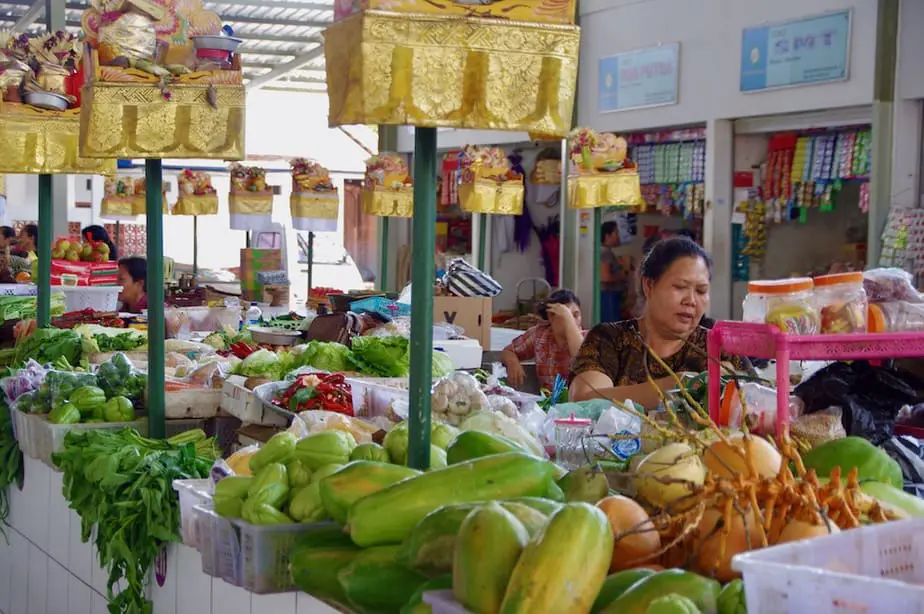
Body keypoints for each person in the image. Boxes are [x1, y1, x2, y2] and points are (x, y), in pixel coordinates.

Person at [570, 236, 749, 409]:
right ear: (648, 286)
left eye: (701, 291)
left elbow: (758, 404)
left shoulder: (721, 350)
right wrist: (677, 385)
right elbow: (585, 399)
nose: (691, 300)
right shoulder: (609, 340)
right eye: (680, 287)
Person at [500, 289, 586, 391]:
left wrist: (568, 320)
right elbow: (508, 351)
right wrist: (512, 363)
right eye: (567, 316)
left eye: (576, 315)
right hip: (548, 404)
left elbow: (583, 358)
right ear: (551, 316)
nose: (573, 321)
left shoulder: (589, 338)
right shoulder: (540, 334)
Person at [600, 221, 627, 322]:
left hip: (611, 296)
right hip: (608, 296)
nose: (618, 236)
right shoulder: (605, 252)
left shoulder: (606, 252)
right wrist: (622, 276)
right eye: (616, 233)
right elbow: (605, 277)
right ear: (607, 236)